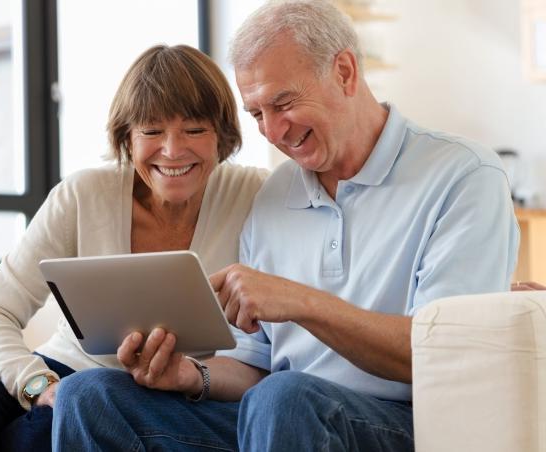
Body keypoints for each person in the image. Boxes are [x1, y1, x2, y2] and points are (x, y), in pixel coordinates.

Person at [51, 1, 519, 451]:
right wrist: (192, 375)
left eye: (284, 103)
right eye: (257, 114)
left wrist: (303, 303)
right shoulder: (275, 195)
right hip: (276, 418)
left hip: (402, 422)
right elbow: (253, 366)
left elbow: (444, 355)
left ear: (344, 72)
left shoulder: (462, 175)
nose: (273, 132)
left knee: (285, 397)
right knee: (90, 395)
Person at [0, 44, 267, 452]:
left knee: (34, 436)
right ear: (127, 138)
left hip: (169, 392)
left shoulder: (256, 195)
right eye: (151, 131)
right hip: (63, 372)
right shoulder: (84, 194)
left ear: (222, 135)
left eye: (194, 130)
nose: (172, 150)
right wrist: (37, 384)